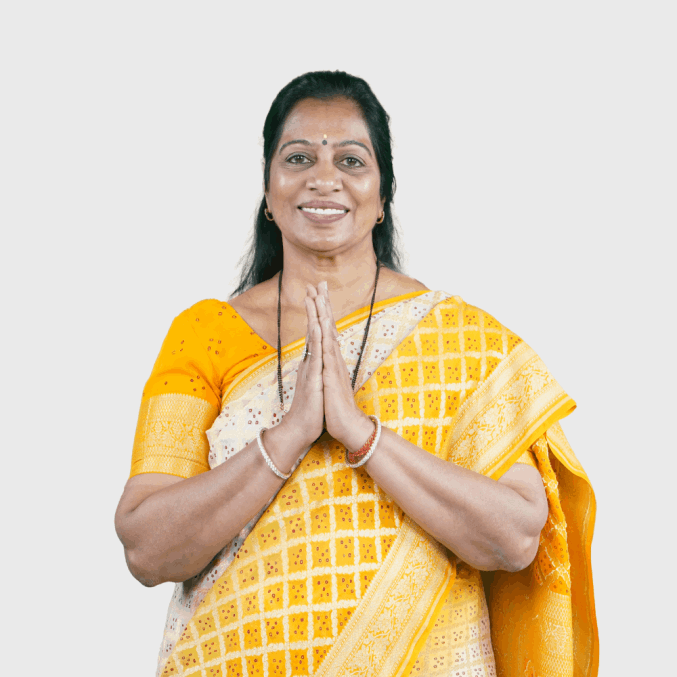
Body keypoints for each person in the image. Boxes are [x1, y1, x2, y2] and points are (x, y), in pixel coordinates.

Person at [115, 70, 598, 677]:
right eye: (298, 158)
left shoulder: (460, 341)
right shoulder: (205, 333)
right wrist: (289, 435)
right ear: (268, 190)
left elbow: (516, 537)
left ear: (383, 195)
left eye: (351, 160)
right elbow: (147, 547)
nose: (324, 178)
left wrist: (361, 434)